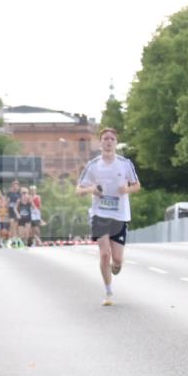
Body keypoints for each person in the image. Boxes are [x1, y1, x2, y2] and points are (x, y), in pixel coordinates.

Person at [76, 128, 141, 305]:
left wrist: (126, 189)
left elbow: (137, 185)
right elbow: (79, 190)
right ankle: (108, 291)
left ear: (116, 142)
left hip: (119, 215)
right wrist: (91, 189)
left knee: (117, 260)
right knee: (104, 254)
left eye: (112, 138)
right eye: (105, 138)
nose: (109, 141)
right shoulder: (93, 165)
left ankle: (116, 266)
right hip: (99, 214)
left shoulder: (125, 164)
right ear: (100, 142)